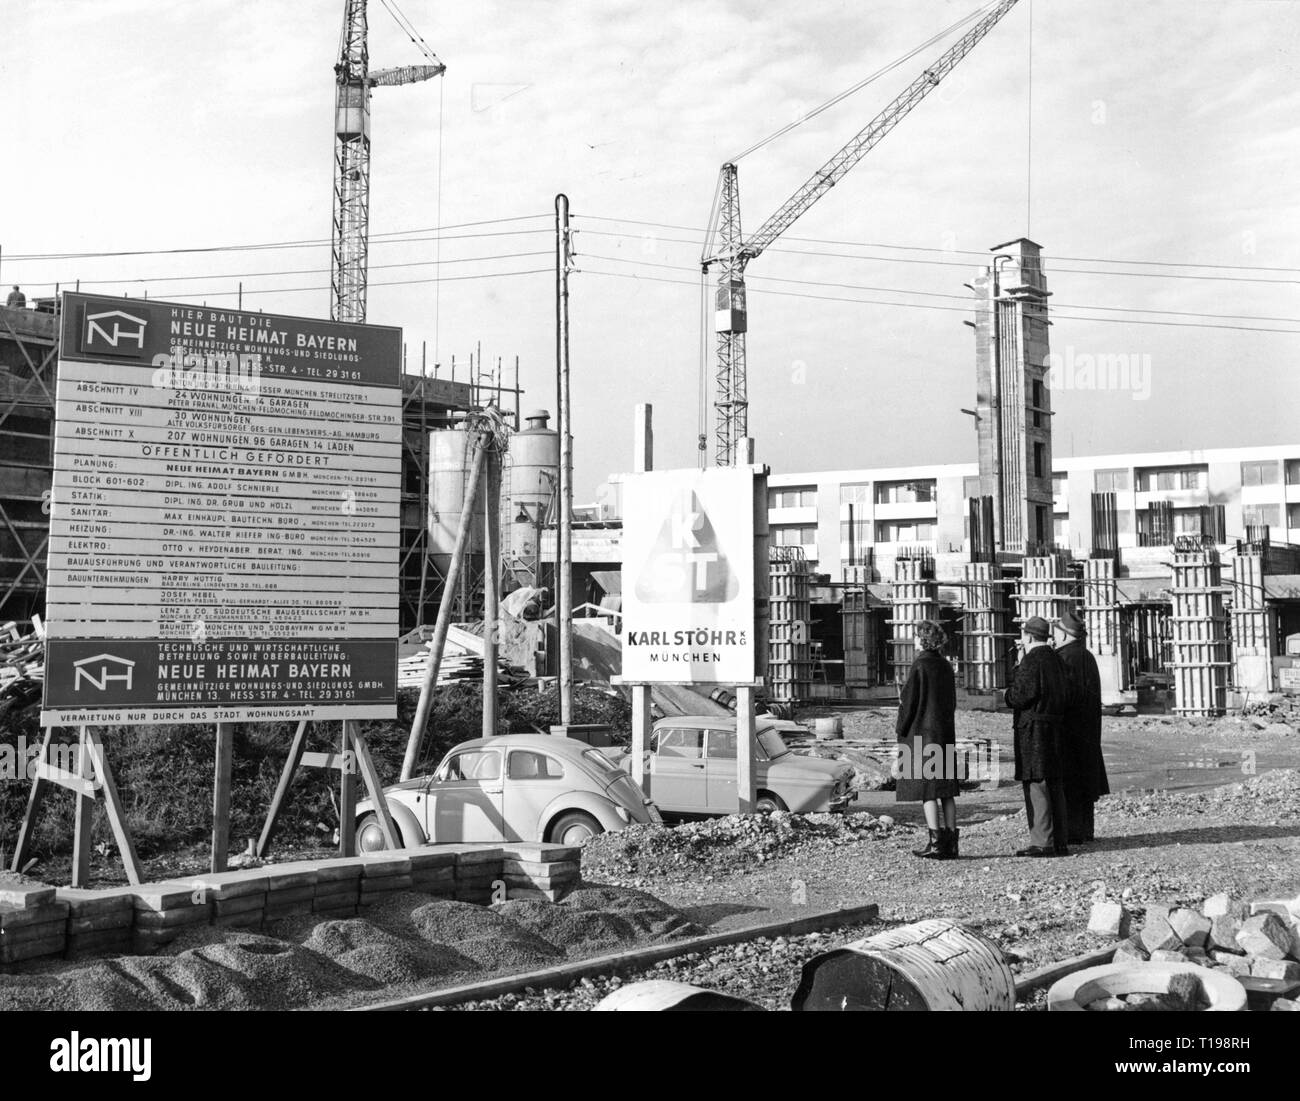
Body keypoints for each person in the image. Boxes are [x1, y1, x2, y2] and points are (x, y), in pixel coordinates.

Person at [1005, 615, 1071, 857]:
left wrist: (1007, 694)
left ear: (1029, 636)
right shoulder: (1057, 658)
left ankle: (1042, 841)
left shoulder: (1031, 660)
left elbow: (1021, 695)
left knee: (1037, 783)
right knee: (1054, 784)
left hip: (1034, 730)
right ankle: (1059, 841)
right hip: (1055, 728)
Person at [895, 619, 960, 860]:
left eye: (915, 636)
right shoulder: (945, 665)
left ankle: (935, 843)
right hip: (944, 733)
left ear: (922, 640)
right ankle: (952, 844)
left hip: (923, 733)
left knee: (928, 791)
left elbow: (908, 702)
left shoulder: (919, 665)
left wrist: (900, 728)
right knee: (947, 791)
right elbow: (951, 702)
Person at [1056, 609, 1108, 844]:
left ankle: (1073, 832)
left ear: (1064, 634)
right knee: (1085, 784)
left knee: (1069, 783)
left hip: (1069, 732)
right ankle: (1086, 830)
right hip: (1089, 731)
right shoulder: (1088, 656)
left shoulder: (1062, 659)